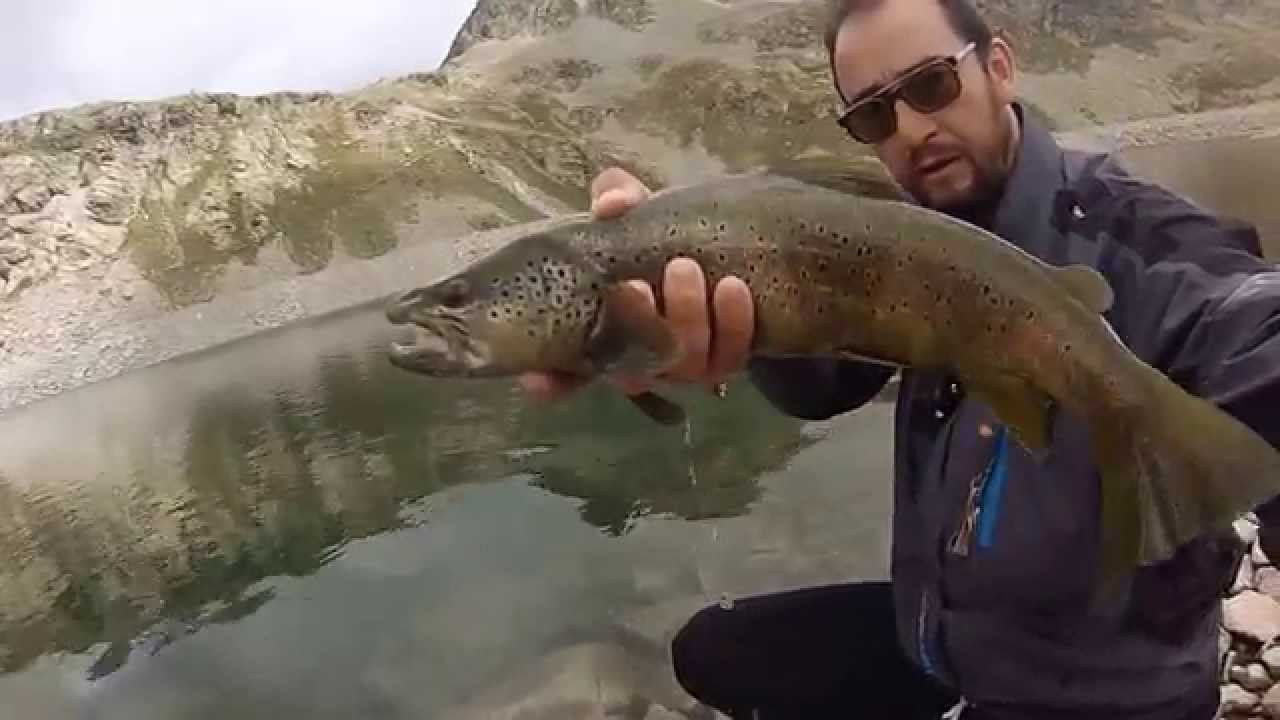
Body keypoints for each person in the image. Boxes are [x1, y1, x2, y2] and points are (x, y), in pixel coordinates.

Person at [521, 0, 1280, 717]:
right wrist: (742, 325)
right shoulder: (905, 239)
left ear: (999, 67)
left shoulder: (1134, 231)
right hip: (945, 650)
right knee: (713, 650)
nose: (913, 129)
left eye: (931, 85)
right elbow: (825, 386)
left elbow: (1250, 329)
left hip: (1098, 694)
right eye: (874, 115)